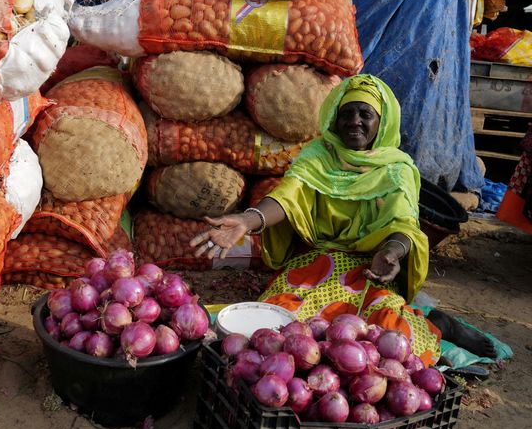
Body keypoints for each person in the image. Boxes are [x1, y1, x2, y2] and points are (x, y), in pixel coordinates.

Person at [190, 74, 496, 364]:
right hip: (315, 264)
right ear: (335, 118)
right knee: (279, 328)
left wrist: (391, 253)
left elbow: (405, 225)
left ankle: (439, 324)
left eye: (366, 114)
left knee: (392, 338)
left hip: (370, 267)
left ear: (382, 122)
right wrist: (248, 219)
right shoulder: (317, 156)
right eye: (346, 113)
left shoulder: (397, 169)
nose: (354, 122)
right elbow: (288, 197)